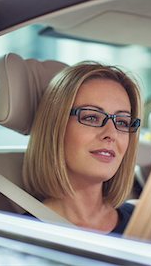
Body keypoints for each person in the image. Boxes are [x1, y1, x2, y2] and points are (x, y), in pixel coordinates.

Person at [23, 61, 142, 234]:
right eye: (91, 117)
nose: (112, 133)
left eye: (122, 122)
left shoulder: (142, 223)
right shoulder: (22, 235)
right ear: (56, 126)